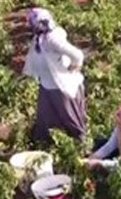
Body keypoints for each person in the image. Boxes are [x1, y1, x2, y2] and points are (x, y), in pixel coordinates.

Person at [22, 8, 87, 143]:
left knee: (69, 116)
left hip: (60, 86)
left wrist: (76, 65)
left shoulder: (53, 39)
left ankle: (80, 145)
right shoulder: (40, 38)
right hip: (47, 84)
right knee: (45, 116)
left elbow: (77, 54)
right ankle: (45, 142)